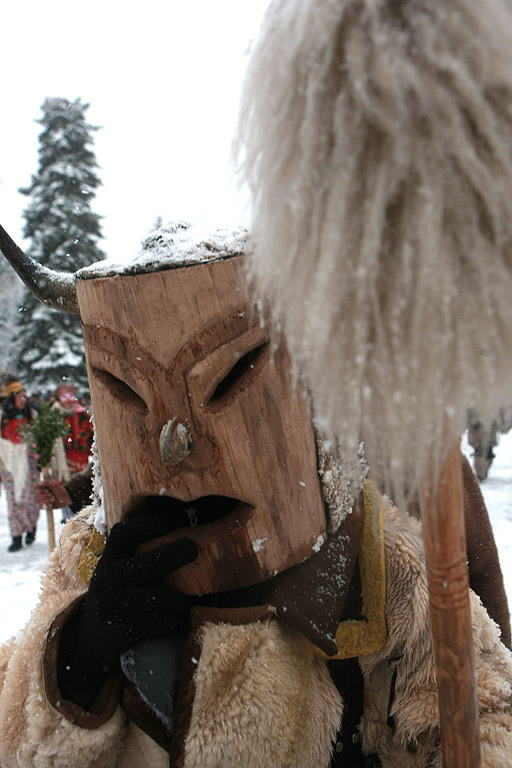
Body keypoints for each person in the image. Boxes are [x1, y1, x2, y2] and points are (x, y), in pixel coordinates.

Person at [0, 224, 512, 768]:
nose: (177, 441)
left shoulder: (380, 551)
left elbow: (486, 710)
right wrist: (73, 663)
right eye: (126, 387)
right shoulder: (93, 554)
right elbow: (14, 728)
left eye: (233, 375)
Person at [0, 376, 40, 552]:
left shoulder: (32, 415)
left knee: (30, 499)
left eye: (25, 396)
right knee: (13, 501)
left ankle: (31, 528)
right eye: (20, 396)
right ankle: (16, 536)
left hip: (29, 463)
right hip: (9, 464)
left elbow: (41, 438)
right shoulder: (3, 419)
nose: (24, 399)